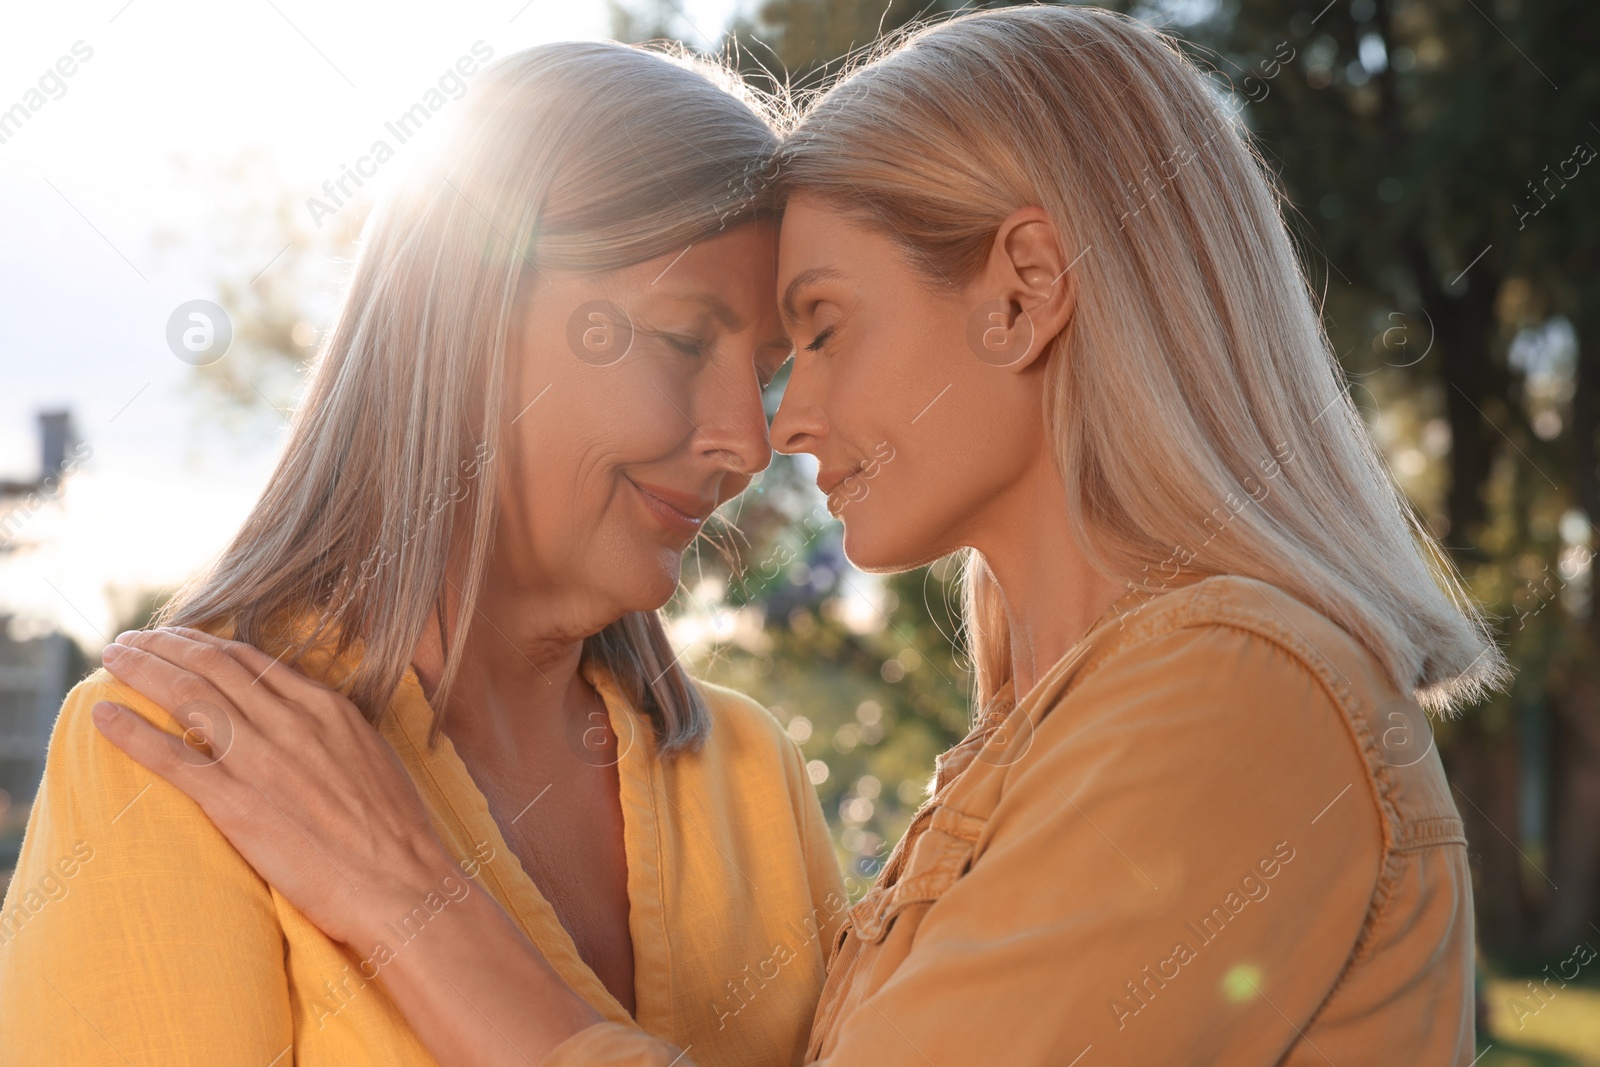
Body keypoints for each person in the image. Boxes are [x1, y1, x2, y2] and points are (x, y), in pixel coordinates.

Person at [84, 6, 1503, 1065]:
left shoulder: (1228, 692)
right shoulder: (182, 748)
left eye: (812, 331)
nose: (775, 425)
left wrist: (407, 898)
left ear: (1020, 294)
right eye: (725, 342)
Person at [0, 41, 847, 1067]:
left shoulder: (754, 776)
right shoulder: (176, 748)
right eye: (680, 339)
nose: (748, 442)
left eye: (764, 373)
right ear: (471, 314)